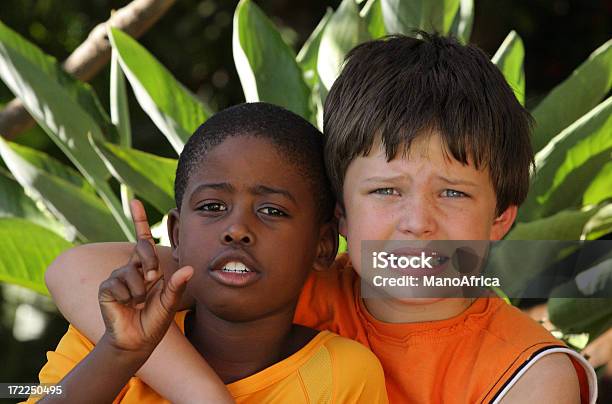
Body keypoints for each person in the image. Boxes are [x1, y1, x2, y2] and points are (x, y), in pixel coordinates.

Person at [45, 34, 597, 403]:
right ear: (340, 218)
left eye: (452, 193)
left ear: (500, 217)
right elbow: (76, 271)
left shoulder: (529, 373)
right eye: (385, 191)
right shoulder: (288, 281)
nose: (417, 223)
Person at [30, 103, 388, 403]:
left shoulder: (341, 374)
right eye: (212, 206)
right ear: (176, 234)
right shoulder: (107, 335)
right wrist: (120, 354)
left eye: (272, 211)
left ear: (323, 246)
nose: (236, 229)